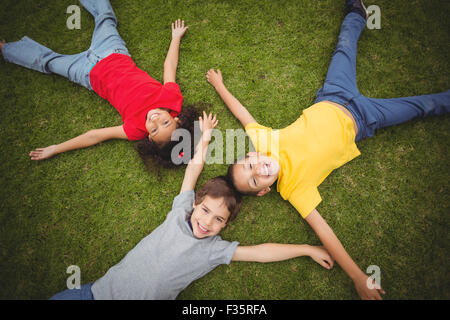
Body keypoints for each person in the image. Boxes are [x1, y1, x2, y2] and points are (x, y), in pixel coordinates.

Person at [205, 0, 450, 300]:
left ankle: (357, 13)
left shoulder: (265, 142)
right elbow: (324, 233)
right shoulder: (293, 188)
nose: (259, 170)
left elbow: (243, 115)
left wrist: (219, 86)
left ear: (252, 154)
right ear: (264, 191)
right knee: (420, 107)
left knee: (345, 48)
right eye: (256, 180)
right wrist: (359, 277)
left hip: (334, 93)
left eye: (250, 165)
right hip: (364, 119)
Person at [49, 112, 334, 300]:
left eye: (219, 220)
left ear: (225, 225)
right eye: (206, 211)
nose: (208, 222)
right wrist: (207, 134)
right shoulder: (180, 212)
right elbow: (193, 170)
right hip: (92, 295)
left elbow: (260, 254)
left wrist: (306, 249)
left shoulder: (212, 250)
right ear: (195, 203)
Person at [0, 0, 198, 167]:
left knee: (48, 62)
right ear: (177, 119)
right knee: (105, 16)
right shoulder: (172, 101)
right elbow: (169, 67)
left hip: (86, 72)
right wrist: (175, 38)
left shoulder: (135, 130)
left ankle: (6, 49)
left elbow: (94, 136)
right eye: (165, 122)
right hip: (112, 51)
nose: (155, 120)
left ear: (149, 139)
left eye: (154, 129)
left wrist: (56, 148)